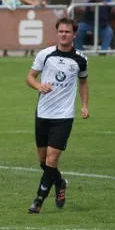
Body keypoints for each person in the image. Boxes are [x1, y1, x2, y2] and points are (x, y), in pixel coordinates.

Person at [25, 17, 89, 214]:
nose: (64, 34)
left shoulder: (81, 59)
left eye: (67, 32)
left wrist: (84, 105)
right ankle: (60, 183)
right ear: (57, 33)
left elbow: (84, 83)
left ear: (74, 35)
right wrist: (38, 86)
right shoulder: (45, 54)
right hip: (43, 113)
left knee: (52, 161)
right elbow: (30, 77)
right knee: (43, 161)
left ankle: (38, 201)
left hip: (64, 115)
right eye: (61, 31)